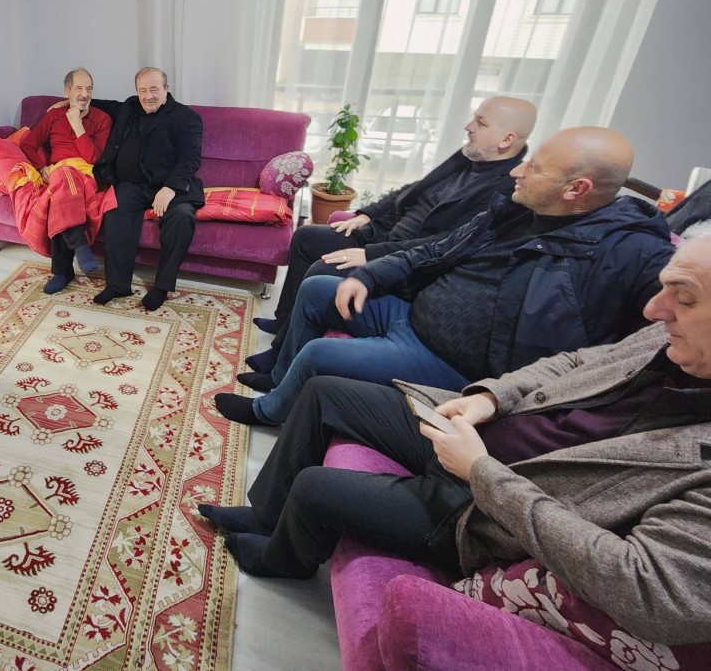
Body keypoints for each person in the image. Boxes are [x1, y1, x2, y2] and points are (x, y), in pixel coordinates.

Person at [197, 224, 711, 647]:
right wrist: (492, 397)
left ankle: (283, 560)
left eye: (684, 299)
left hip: (485, 506)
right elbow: (575, 361)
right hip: (475, 432)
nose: (654, 310)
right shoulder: (666, 342)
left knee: (315, 487)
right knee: (325, 393)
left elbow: (652, 593)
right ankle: (264, 515)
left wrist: (481, 472)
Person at [219, 127, 674, 426]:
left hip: (450, 360)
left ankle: (269, 412)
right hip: (414, 314)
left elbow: (667, 324)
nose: (519, 171)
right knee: (320, 288)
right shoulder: (519, 209)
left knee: (320, 352)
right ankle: (279, 379)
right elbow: (436, 249)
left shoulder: (631, 253)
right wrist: (371, 276)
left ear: (577, 189)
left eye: (534, 167)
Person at [248, 97, 537, 373]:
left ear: (507, 139)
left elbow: (447, 243)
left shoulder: (505, 189)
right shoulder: (469, 157)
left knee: (323, 268)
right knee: (307, 237)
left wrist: (371, 255)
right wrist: (367, 213)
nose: (469, 126)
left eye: (481, 122)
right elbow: (413, 188)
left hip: (404, 259)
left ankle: (280, 356)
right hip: (384, 234)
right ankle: (283, 321)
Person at [0, 67, 116, 294]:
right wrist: (42, 167)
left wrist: (78, 126)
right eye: (79, 88)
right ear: (67, 91)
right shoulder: (53, 116)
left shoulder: (102, 119)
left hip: (86, 176)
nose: (84, 94)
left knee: (60, 184)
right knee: (60, 183)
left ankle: (62, 271)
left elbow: (94, 157)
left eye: (89, 89)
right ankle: (79, 245)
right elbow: (28, 144)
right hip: (58, 175)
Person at [91, 67, 204, 312]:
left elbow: (190, 159)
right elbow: (106, 105)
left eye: (154, 89)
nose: (148, 96)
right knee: (115, 210)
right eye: (142, 90)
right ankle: (117, 285)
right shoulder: (131, 106)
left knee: (182, 217)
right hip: (133, 184)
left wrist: (170, 188)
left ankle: (161, 287)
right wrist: (69, 102)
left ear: (166, 89)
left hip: (170, 186)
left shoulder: (187, 117)